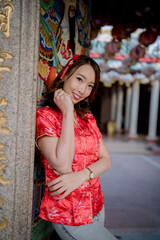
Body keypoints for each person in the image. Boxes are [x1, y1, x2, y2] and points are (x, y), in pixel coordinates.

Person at [35, 54, 117, 240]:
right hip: (68, 213)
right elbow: (62, 165)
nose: (83, 89)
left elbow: (106, 160)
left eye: (90, 85)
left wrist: (81, 176)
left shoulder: (87, 118)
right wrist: (68, 111)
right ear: (65, 75)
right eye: (79, 79)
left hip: (96, 205)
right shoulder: (45, 116)